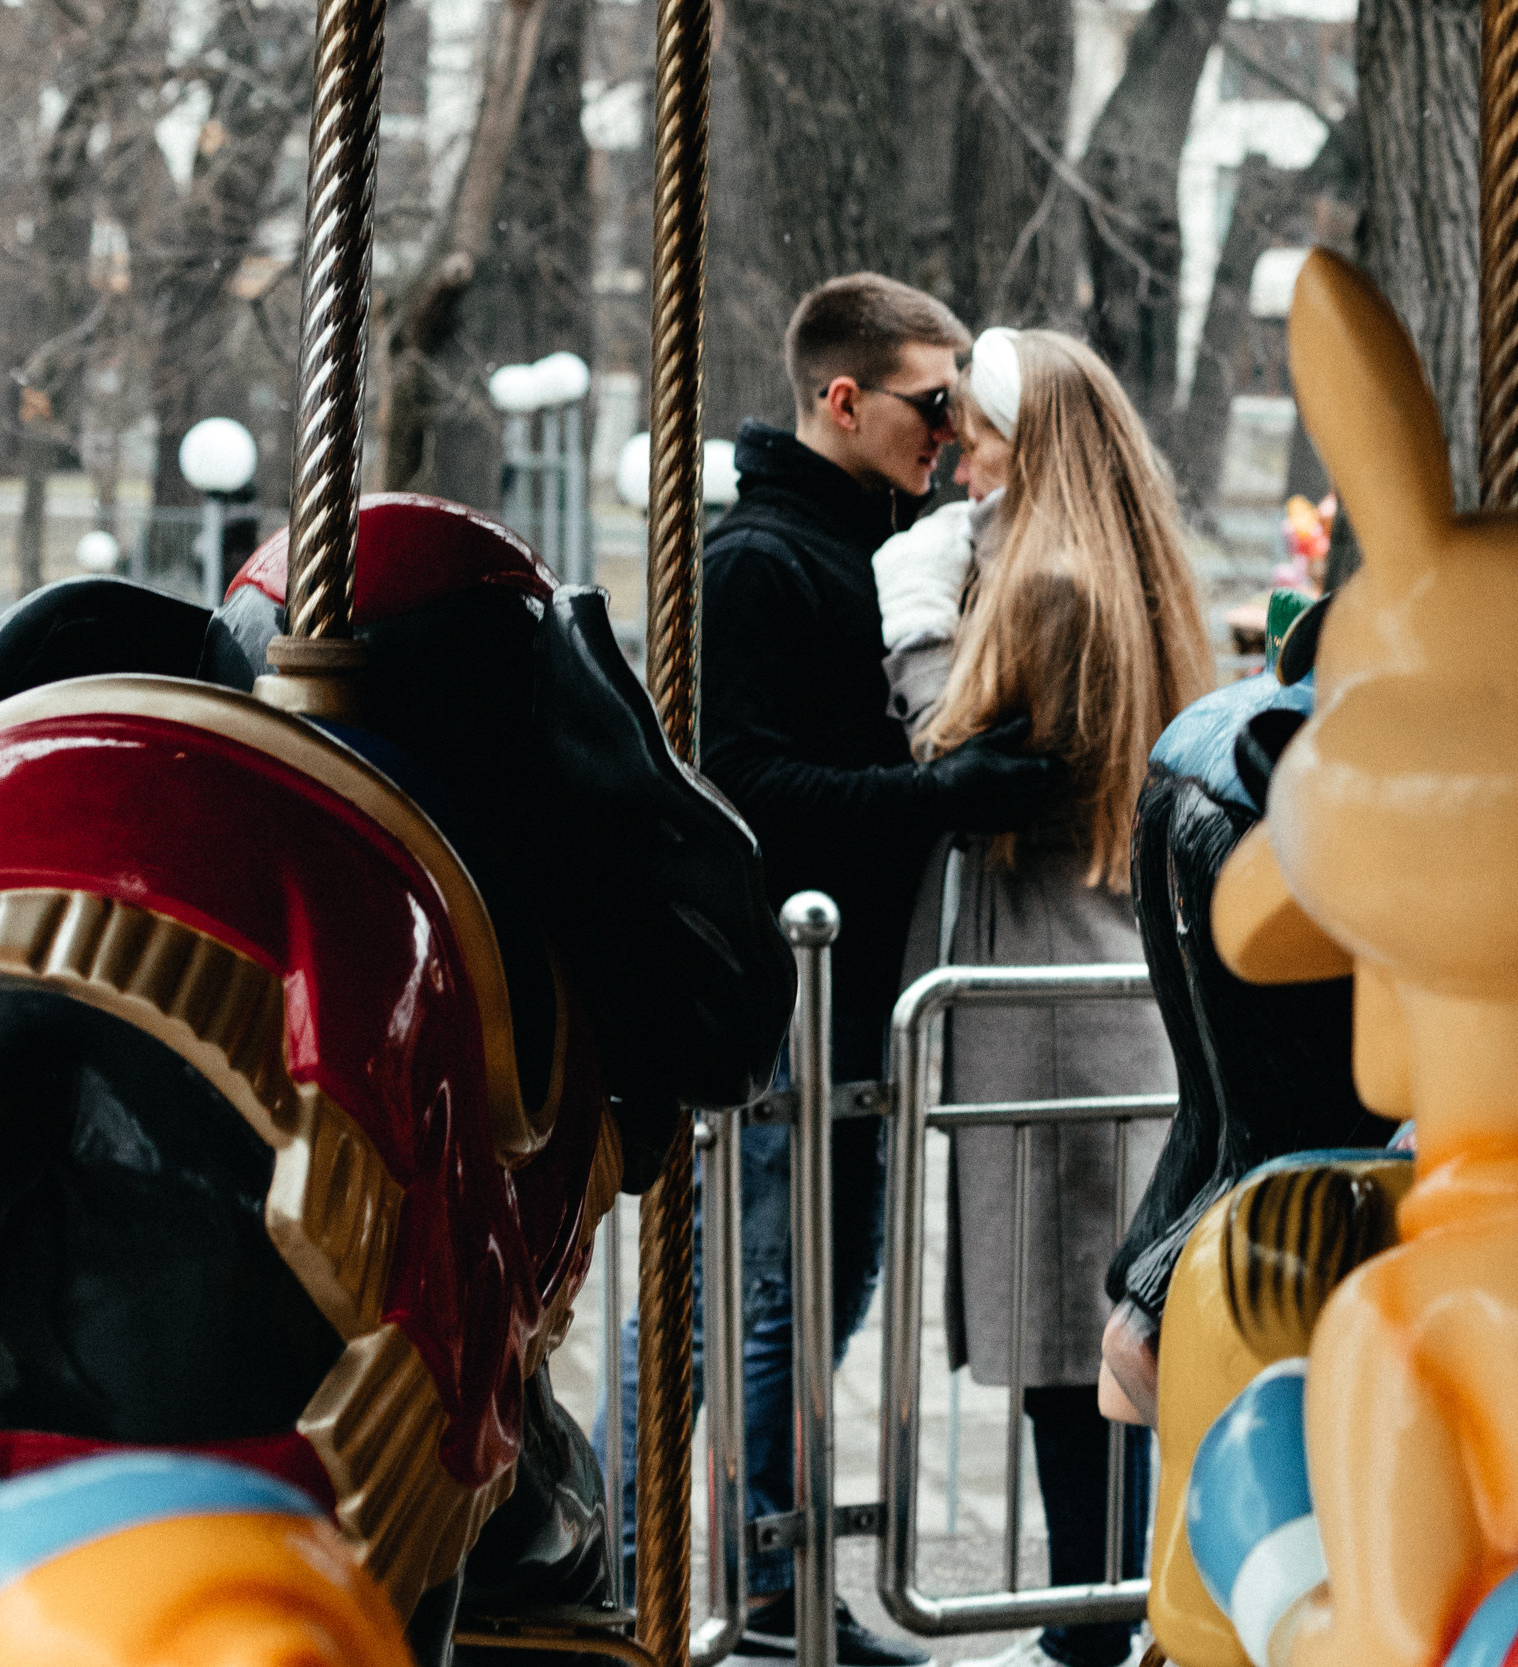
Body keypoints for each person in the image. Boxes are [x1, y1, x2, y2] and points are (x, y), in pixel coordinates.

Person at [645, 274, 1065, 1667]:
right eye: (932, 403)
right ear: (844, 399)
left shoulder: (863, 551)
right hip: (784, 998)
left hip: (847, 994)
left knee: (788, 1300)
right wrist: (946, 792)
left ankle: (679, 1571)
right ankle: (745, 1601)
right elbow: (754, 787)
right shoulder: (760, 562)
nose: (949, 430)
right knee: (772, 1301)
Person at [878, 326, 1216, 1667]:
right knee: (1084, 1346)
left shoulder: (1052, 585)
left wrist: (914, 628)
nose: (958, 457)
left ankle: (1087, 1623)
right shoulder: (1100, 566)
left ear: (1039, 448)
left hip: (1049, 1006)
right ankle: (1100, 1613)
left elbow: (957, 750)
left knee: (1068, 1358)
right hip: (1088, 988)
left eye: (981, 435)